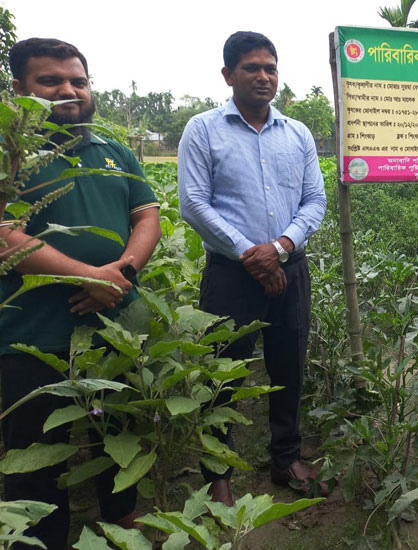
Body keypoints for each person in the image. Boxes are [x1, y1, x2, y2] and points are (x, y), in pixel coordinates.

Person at [0, 38, 161, 549]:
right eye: (51, 81)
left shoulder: (109, 148)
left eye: (78, 80)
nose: (69, 90)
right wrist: (88, 276)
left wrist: (123, 274)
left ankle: (120, 522)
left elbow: (147, 214)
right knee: (32, 450)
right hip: (31, 330)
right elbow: (4, 232)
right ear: (19, 89)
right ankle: (39, 539)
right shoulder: (10, 154)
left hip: (113, 322)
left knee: (119, 432)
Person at [178, 31, 327, 505]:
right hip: (229, 275)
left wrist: (280, 247)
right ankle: (217, 472)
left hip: (290, 268)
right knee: (225, 371)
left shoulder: (298, 133)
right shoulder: (202, 130)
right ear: (228, 75)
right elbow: (194, 203)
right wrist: (252, 253)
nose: (264, 76)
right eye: (252, 68)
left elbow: (314, 200)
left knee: (289, 366)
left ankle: (285, 458)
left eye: (270, 68)